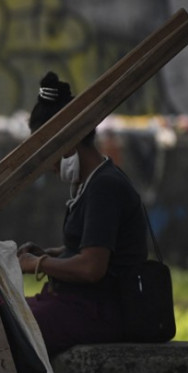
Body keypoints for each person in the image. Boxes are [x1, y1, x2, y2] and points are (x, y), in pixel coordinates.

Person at [16, 72, 148, 356]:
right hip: (79, 304)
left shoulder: (105, 187)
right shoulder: (93, 183)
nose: (47, 165)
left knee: (7, 331)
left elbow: (92, 267)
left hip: (98, 311)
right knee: (3, 315)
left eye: (46, 152)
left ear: (68, 144)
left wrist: (37, 264)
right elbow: (91, 246)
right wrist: (52, 254)